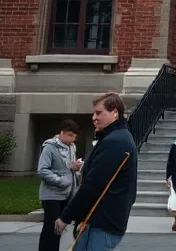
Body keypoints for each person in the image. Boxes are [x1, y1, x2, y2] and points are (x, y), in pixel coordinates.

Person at [55, 92, 138, 251]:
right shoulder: (116, 137)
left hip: (101, 222)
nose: (94, 118)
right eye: (94, 113)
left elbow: (92, 185)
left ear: (115, 113)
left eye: (99, 113)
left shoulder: (115, 141)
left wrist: (66, 217)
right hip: (101, 219)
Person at [37, 119, 83, 251]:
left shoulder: (71, 147)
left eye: (74, 137)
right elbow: (42, 170)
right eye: (70, 135)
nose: (72, 139)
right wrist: (60, 181)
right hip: (51, 195)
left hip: (67, 194)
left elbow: (67, 166)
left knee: (59, 229)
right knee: (50, 229)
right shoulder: (49, 147)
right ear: (61, 132)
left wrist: (75, 166)